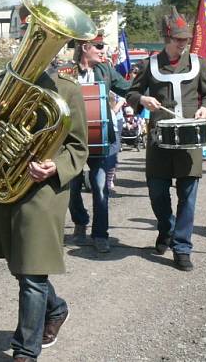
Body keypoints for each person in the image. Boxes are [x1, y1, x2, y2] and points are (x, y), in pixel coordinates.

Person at [0, 24, 88, 362]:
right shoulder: (6, 82)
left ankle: (25, 351)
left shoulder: (68, 89)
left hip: (44, 192)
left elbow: (78, 149)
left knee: (32, 273)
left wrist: (55, 166)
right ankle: (57, 308)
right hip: (7, 185)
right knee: (20, 265)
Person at [126, 8, 206, 271]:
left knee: (188, 196)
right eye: (178, 39)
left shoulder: (198, 63)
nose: (182, 44)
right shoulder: (149, 65)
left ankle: (182, 247)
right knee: (157, 193)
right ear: (167, 37)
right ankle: (166, 228)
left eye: (185, 39)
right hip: (159, 141)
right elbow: (132, 93)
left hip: (189, 141)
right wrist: (142, 99)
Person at [66, 31, 130, 253]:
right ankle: (80, 222)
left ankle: (101, 234)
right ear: (85, 47)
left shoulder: (105, 70)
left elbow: (128, 89)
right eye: (99, 46)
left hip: (102, 139)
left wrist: (147, 95)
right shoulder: (66, 72)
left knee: (100, 187)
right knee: (71, 187)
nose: (104, 50)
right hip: (71, 140)